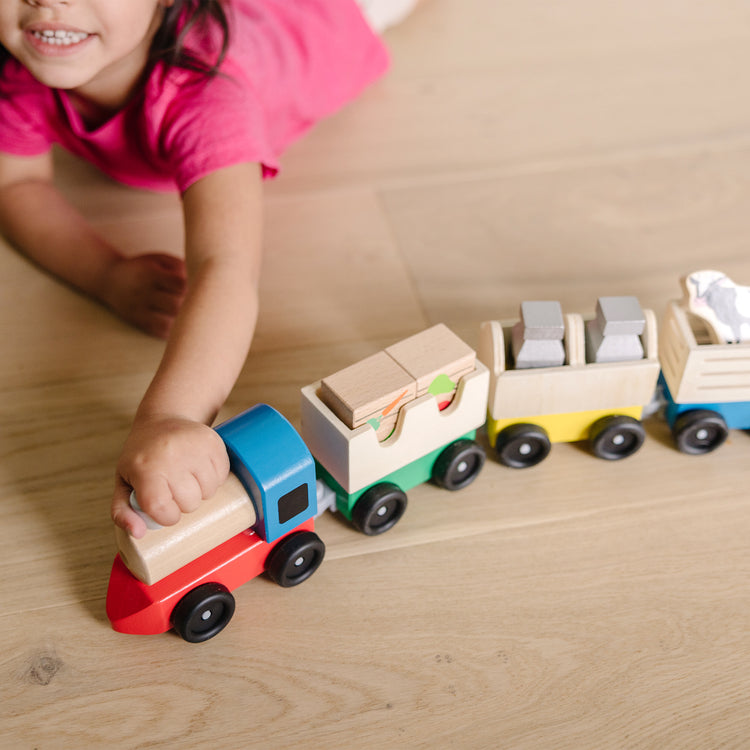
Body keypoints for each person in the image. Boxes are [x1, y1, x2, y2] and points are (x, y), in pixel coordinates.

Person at [0, 0, 419, 538]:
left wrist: (171, 416)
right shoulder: (30, 54)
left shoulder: (209, 92)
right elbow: (15, 186)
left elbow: (226, 269)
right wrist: (106, 275)